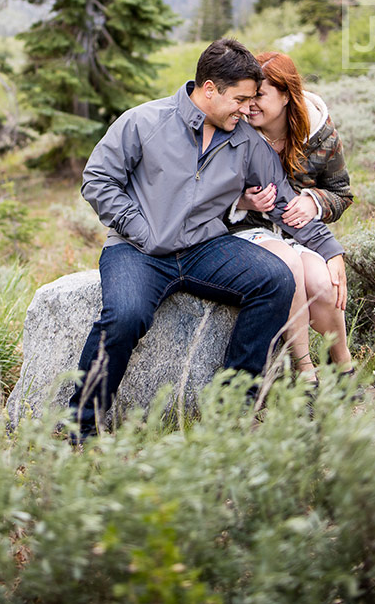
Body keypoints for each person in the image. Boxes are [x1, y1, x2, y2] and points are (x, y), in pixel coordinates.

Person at [70, 39, 346, 438]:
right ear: (210, 89)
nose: (247, 109)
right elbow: (97, 179)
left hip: (205, 248)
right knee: (125, 317)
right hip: (137, 250)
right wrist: (139, 227)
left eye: (253, 99)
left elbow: (286, 204)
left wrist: (329, 251)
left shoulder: (245, 140)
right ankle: (79, 428)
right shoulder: (144, 122)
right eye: (240, 99)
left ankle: (232, 409)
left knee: (276, 280)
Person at [226, 51, 354, 382]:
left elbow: (342, 193)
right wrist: (243, 201)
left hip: (300, 232)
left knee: (323, 283)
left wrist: (314, 201)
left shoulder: (319, 134)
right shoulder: (235, 129)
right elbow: (210, 189)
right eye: (248, 95)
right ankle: (304, 370)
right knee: (292, 271)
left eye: (260, 95)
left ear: (285, 95)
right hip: (251, 231)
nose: (250, 104)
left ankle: (343, 368)